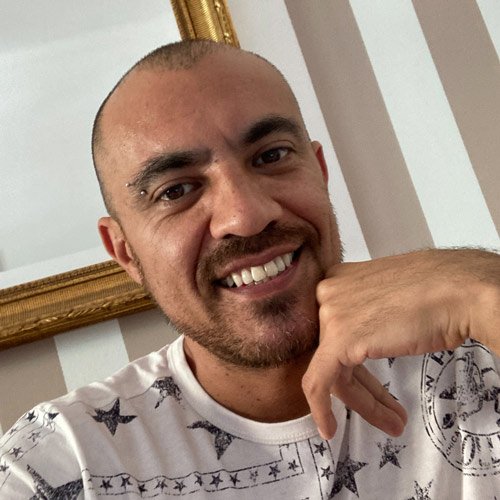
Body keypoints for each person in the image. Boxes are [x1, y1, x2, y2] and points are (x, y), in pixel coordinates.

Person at [1, 40, 499, 499]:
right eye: (176, 190)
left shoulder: (477, 346)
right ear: (125, 252)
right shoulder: (57, 463)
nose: (245, 215)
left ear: (320, 172)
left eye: (271, 156)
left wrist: (485, 286)